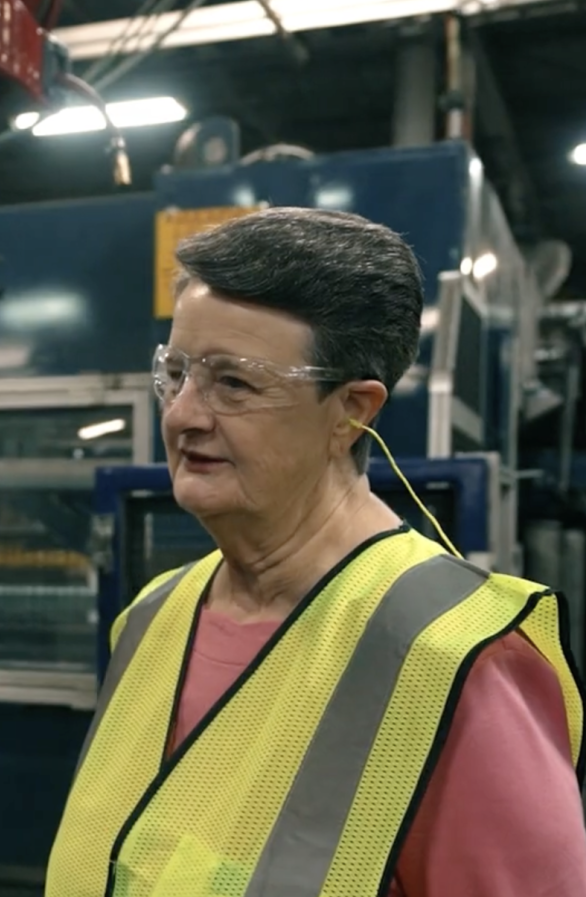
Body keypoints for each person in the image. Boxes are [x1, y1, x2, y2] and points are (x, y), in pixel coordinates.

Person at [45, 208, 586, 897]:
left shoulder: (458, 664)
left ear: (352, 411)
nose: (182, 414)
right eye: (176, 373)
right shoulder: (152, 618)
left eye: (232, 383)